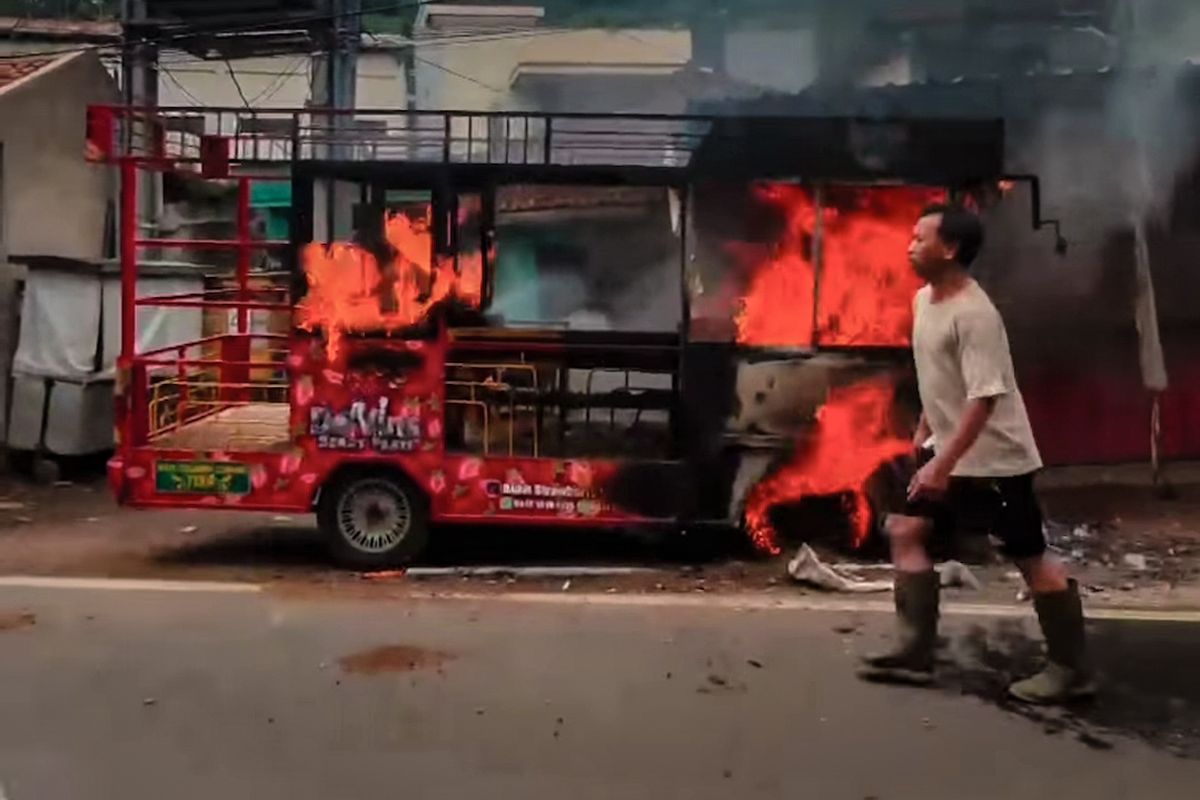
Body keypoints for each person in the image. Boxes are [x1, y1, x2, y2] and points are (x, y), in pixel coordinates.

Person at [858, 203, 1096, 705]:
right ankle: (914, 651)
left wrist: (941, 467)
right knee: (904, 529)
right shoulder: (924, 301)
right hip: (946, 449)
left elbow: (983, 398)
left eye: (920, 238)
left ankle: (1071, 669)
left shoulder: (975, 314)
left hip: (994, 461)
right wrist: (925, 435)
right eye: (911, 235)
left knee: (1030, 560)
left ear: (950, 249)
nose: (910, 245)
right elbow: (937, 378)